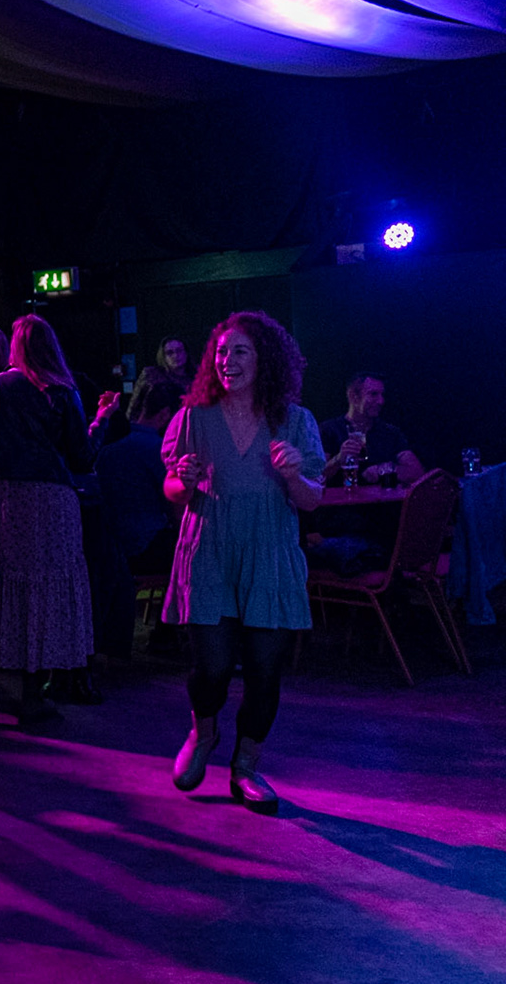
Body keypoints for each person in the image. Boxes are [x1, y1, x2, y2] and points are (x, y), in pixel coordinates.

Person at [162, 312, 322, 815]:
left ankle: (247, 766)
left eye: (240, 351)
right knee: (210, 667)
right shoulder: (194, 417)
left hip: (269, 552)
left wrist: (293, 475)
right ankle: (203, 734)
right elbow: (172, 489)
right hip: (209, 549)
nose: (226, 360)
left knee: (263, 671)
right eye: (221, 351)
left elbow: (312, 499)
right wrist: (183, 481)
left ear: (265, 358)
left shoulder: (295, 420)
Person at [0, 315, 94, 724]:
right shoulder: (64, 391)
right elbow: (82, 459)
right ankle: (31, 697)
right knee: (42, 592)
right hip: (50, 499)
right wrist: (101, 425)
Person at [94, 369, 186, 659]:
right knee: (195, 551)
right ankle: (168, 635)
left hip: (110, 548)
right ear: (166, 415)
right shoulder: (159, 450)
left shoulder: (107, 449)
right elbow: (174, 506)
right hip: (145, 548)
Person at [318, 373, 423, 489]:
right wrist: (338, 459)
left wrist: (383, 469)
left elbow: (417, 472)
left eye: (382, 395)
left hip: (383, 500)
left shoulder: (390, 433)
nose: (381, 401)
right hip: (340, 499)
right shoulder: (329, 430)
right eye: (373, 394)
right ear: (353, 396)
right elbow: (315, 476)